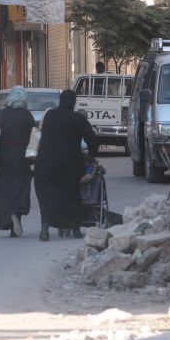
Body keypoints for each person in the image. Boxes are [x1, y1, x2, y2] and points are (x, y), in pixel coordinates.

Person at [34, 89, 98, 241]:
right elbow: (92, 140)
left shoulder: (50, 115)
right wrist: (92, 154)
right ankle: (75, 228)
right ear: (74, 102)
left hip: (45, 162)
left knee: (47, 195)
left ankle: (44, 228)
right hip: (69, 164)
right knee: (72, 195)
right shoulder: (78, 119)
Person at [0, 86, 36, 237]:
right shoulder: (27, 116)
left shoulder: (0, 114)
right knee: (21, 188)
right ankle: (16, 213)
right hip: (23, 160)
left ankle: (10, 216)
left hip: (4, 159)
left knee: (5, 190)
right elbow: (33, 138)